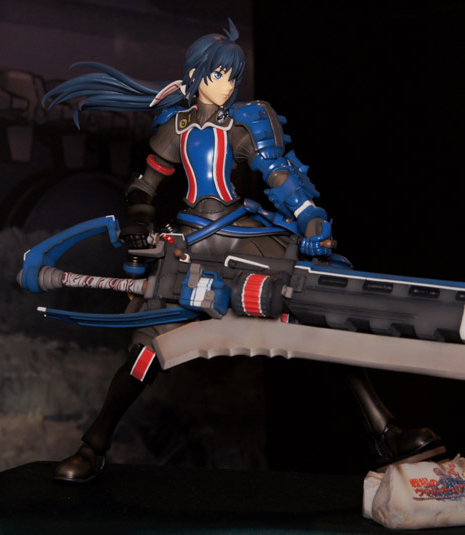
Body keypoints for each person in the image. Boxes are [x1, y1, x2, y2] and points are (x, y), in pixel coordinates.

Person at [42, 20, 444, 483]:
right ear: (196, 75)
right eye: (219, 75)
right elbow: (144, 185)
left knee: (321, 307)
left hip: (244, 235)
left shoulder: (244, 124)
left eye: (233, 76)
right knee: (147, 347)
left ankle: (385, 432)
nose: (228, 85)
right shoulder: (174, 128)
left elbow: (279, 175)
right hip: (191, 244)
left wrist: (310, 216)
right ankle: (93, 446)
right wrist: (137, 220)